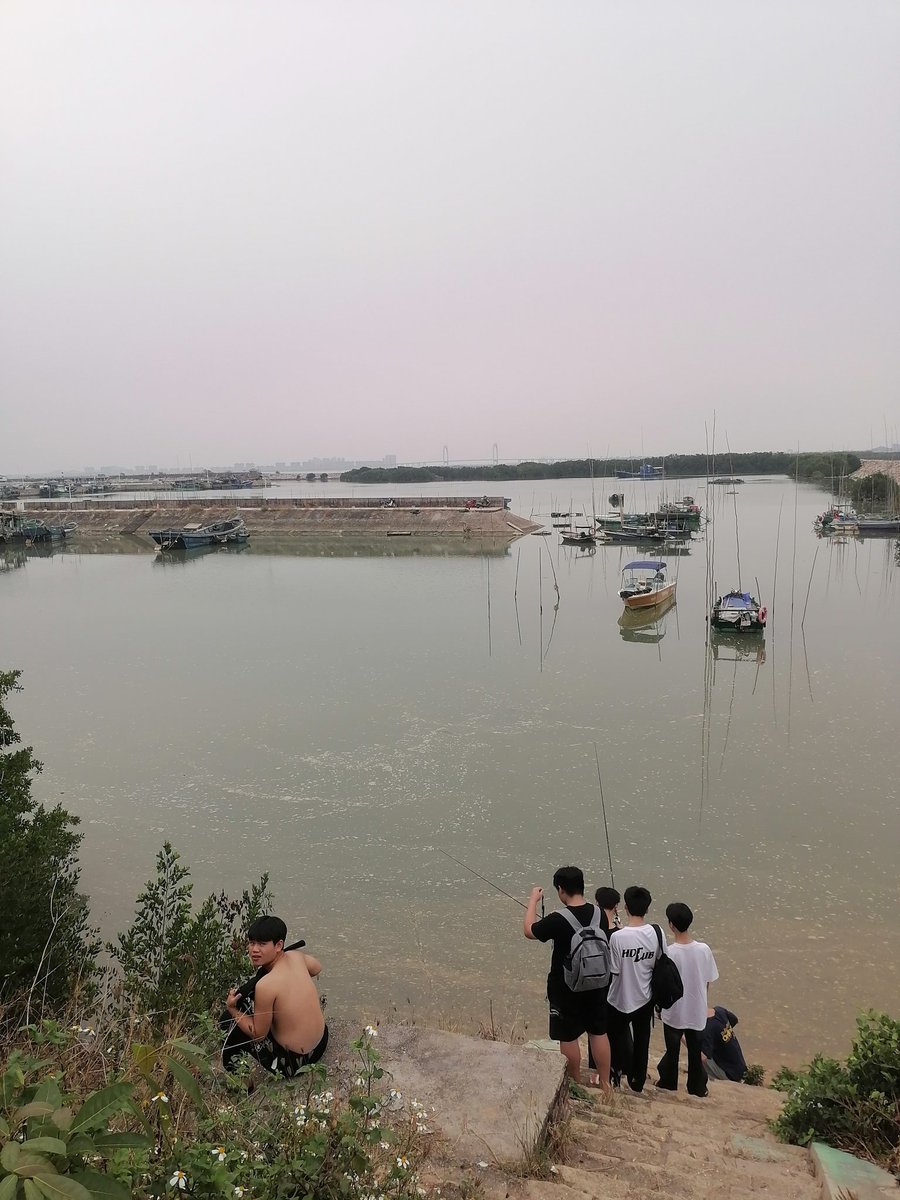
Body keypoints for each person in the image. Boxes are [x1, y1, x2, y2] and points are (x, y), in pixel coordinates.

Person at [524, 866, 611, 1091]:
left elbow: (529, 930)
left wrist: (533, 900)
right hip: (597, 982)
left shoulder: (557, 919)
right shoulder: (600, 914)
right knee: (598, 1032)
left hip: (566, 987)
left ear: (561, 890)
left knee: (568, 1035)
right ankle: (605, 1082)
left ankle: (575, 1080)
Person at [222, 916, 328, 1078]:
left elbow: (258, 1035)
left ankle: (243, 1085)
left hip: (295, 1064)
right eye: (252, 943)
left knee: (228, 1020)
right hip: (321, 1043)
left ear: (278, 945)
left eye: (262, 944)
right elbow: (317, 968)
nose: (254, 950)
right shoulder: (296, 957)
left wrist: (232, 1008)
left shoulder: (265, 985)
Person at [656, 903, 718, 1096]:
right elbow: (708, 980)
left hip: (674, 1009)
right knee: (694, 1051)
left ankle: (668, 1084)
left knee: (672, 1051)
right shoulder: (703, 949)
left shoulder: (668, 952)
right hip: (696, 1009)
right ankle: (697, 1088)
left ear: (671, 925)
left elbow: (663, 983)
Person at [607, 885, 661, 1093]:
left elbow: (615, 970)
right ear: (647, 909)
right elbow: (658, 962)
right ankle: (637, 1082)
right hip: (645, 997)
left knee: (616, 1037)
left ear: (626, 908)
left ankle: (616, 1075)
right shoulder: (657, 932)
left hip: (618, 998)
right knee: (642, 1040)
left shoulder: (618, 937)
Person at [702, 1005, 748, 1082]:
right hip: (740, 1069)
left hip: (730, 1075)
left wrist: (681, 1036)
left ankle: (709, 1079)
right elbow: (735, 1020)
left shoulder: (708, 1028)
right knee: (707, 1048)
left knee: (698, 1052)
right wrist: (724, 1034)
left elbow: (702, 1057)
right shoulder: (720, 1011)